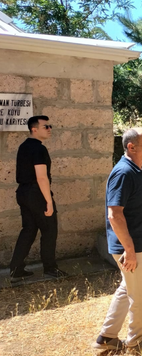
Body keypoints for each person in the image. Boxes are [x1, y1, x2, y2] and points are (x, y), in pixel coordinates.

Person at [93, 128, 142, 353]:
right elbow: (114, 214)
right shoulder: (123, 173)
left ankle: (106, 337)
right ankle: (136, 342)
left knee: (127, 290)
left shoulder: (136, 170)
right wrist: (129, 249)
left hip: (134, 245)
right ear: (131, 147)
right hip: (130, 247)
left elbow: (137, 199)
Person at [9, 115, 68, 281]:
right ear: (34, 129)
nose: (49, 129)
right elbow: (41, 177)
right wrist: (48, 201)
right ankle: (50, 268)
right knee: (49, 230)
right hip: (37, 194)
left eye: (50, 126)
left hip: (23, 193)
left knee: (28, 230)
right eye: (45, 127)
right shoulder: (38, 149)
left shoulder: (24, 147)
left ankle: (16, 269)